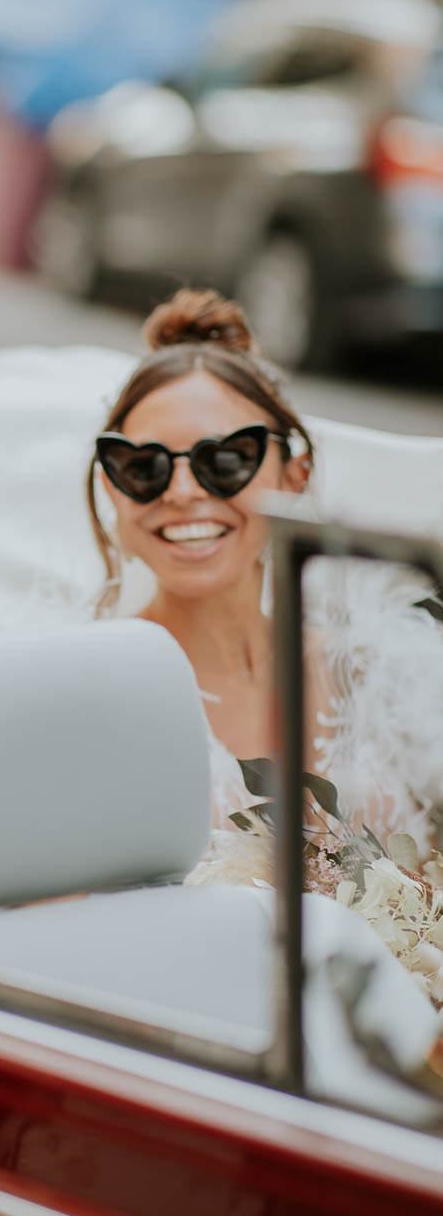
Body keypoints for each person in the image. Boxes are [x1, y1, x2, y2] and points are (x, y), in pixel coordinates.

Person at [86, 288, 440, 860]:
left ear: (293, 475)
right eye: (143, 466)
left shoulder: (382, 673)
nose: (182, 492)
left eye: (225, 460)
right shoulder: (85, 689)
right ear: (111, 486)